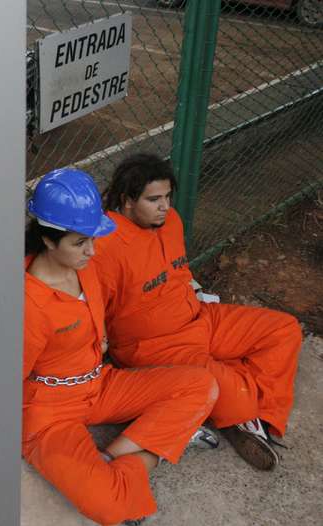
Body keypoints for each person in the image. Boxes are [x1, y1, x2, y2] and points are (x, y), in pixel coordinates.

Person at [23, 167, 219, 525]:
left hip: (98, 383)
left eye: (93, 239)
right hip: (50, 414)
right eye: (80, 242)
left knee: (201, 386)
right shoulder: (26, 305)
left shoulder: (85, 267)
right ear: (48, 241)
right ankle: (152, 450)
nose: (92, 251)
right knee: (110, 508)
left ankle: (110, 459)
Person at [92, 152, 302, 471]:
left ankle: (237, 405)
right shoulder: (104, 245)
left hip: (200, 317)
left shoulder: (171, 220)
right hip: (155, 344)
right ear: (127, 200)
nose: (164, 205)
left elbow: (179, 273)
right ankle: (240, 409)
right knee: (239, 396)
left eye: (167, 196)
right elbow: (92, 310)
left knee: (284, 329)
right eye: (153, 199)